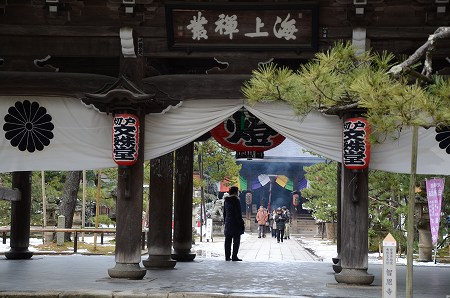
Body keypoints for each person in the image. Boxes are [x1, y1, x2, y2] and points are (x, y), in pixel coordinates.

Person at [223, 186, 245, 261]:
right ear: (236, 192)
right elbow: (238, 213)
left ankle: (227, 256)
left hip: (228, 222)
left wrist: (225, 222)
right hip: (235, 222)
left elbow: (224, 213)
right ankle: (234, 256)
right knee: (236, 241)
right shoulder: (236, 200)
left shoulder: (226, 200)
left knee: (227, 240)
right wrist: (241, 223)